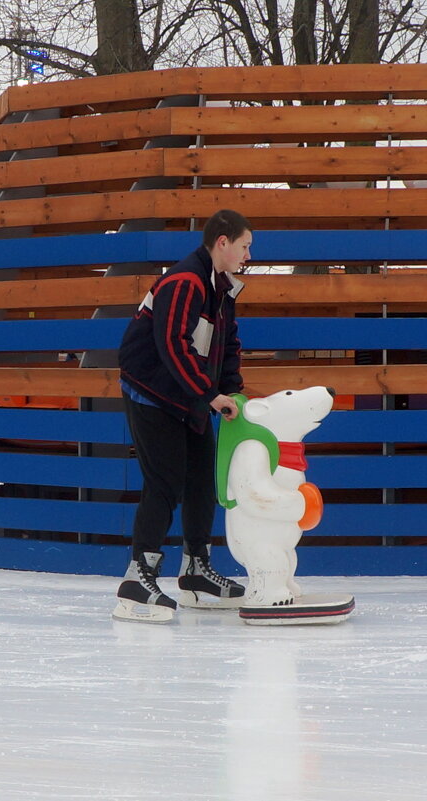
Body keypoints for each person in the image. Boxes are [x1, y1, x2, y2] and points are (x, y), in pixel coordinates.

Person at [114, 209, 252, 622]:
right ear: (222, 242)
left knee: (203, 477)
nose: (248, 255)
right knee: (165, 481)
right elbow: (172, 344)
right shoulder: (184, 281)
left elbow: (226, 345)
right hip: (152, 393)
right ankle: (137, 580)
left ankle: (195, 570)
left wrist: (232, 392)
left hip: (186, 396)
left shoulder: (221, 289)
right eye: (245, 246)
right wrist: (209, 394)